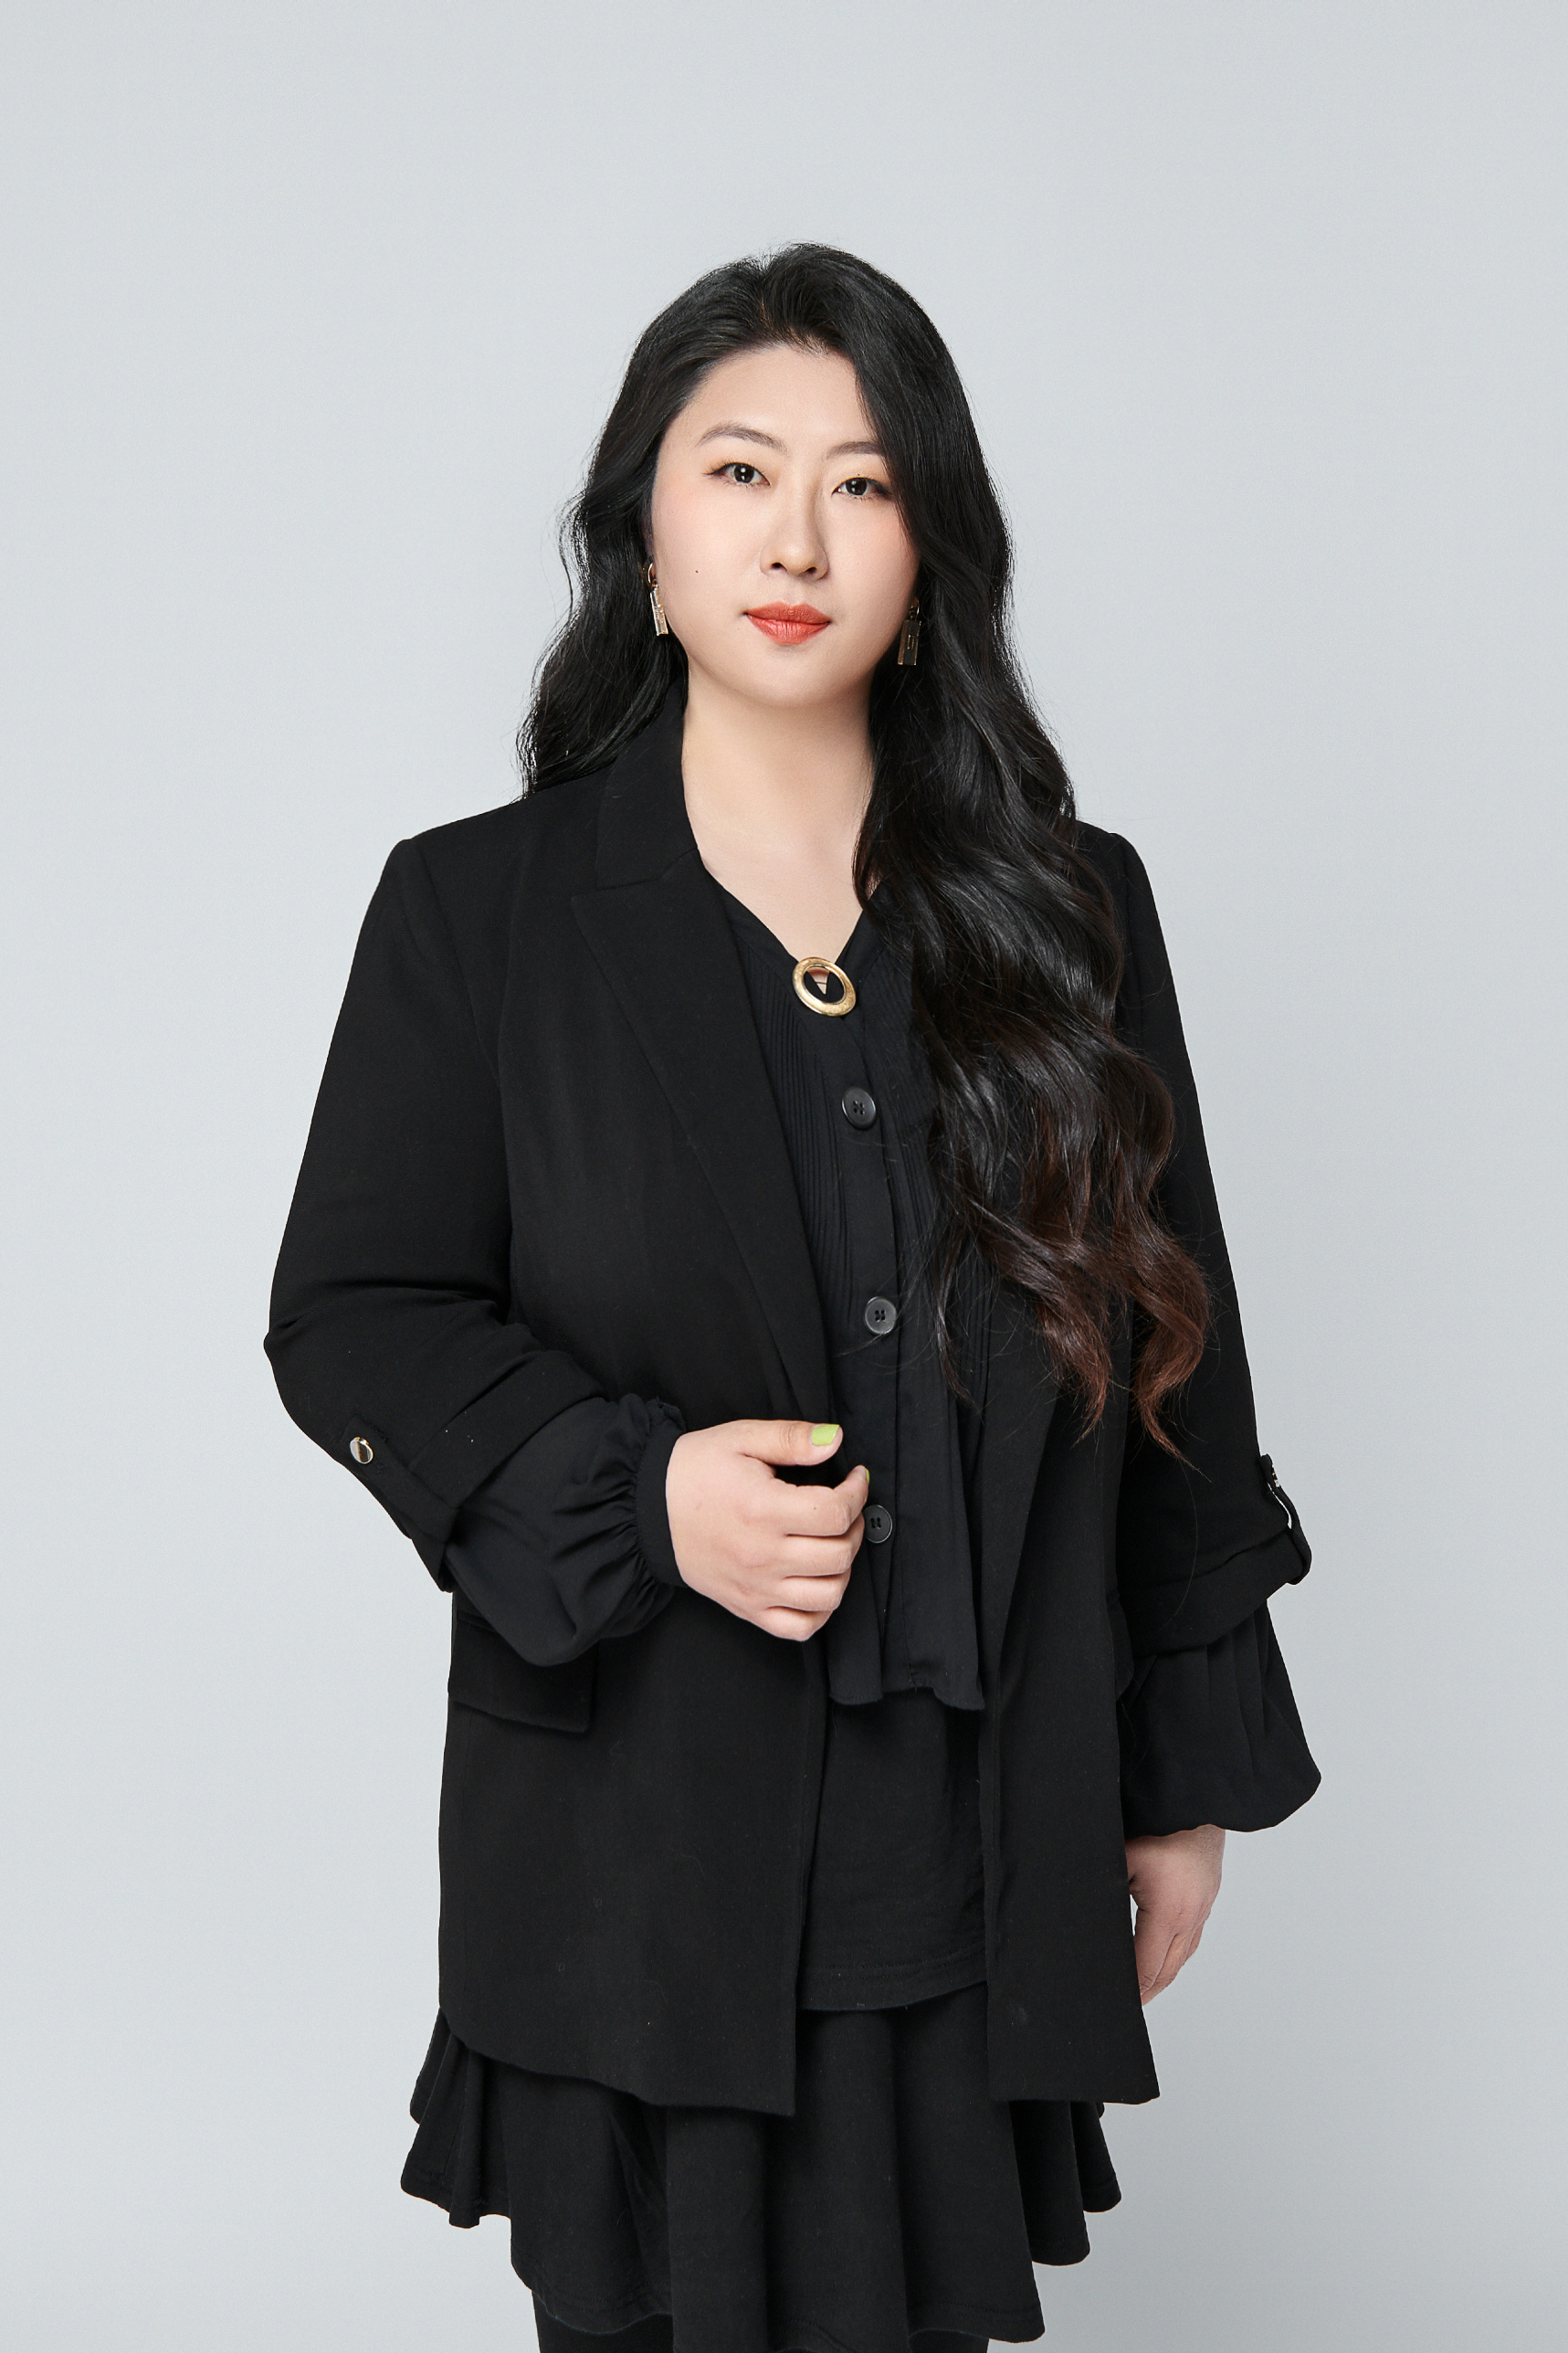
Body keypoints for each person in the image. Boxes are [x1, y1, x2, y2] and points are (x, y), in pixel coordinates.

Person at [266, 245, 1320, 2353]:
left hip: (973, 1849)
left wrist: (1177, 1772)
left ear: (925, 566)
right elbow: (353, 1311)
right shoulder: (479, 910)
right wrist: (635, 1493)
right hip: (632, 1848)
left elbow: (1173, 1351)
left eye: (862, 484)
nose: (796, 539)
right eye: (739, 471)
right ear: (642, 543)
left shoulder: (1072, 911)